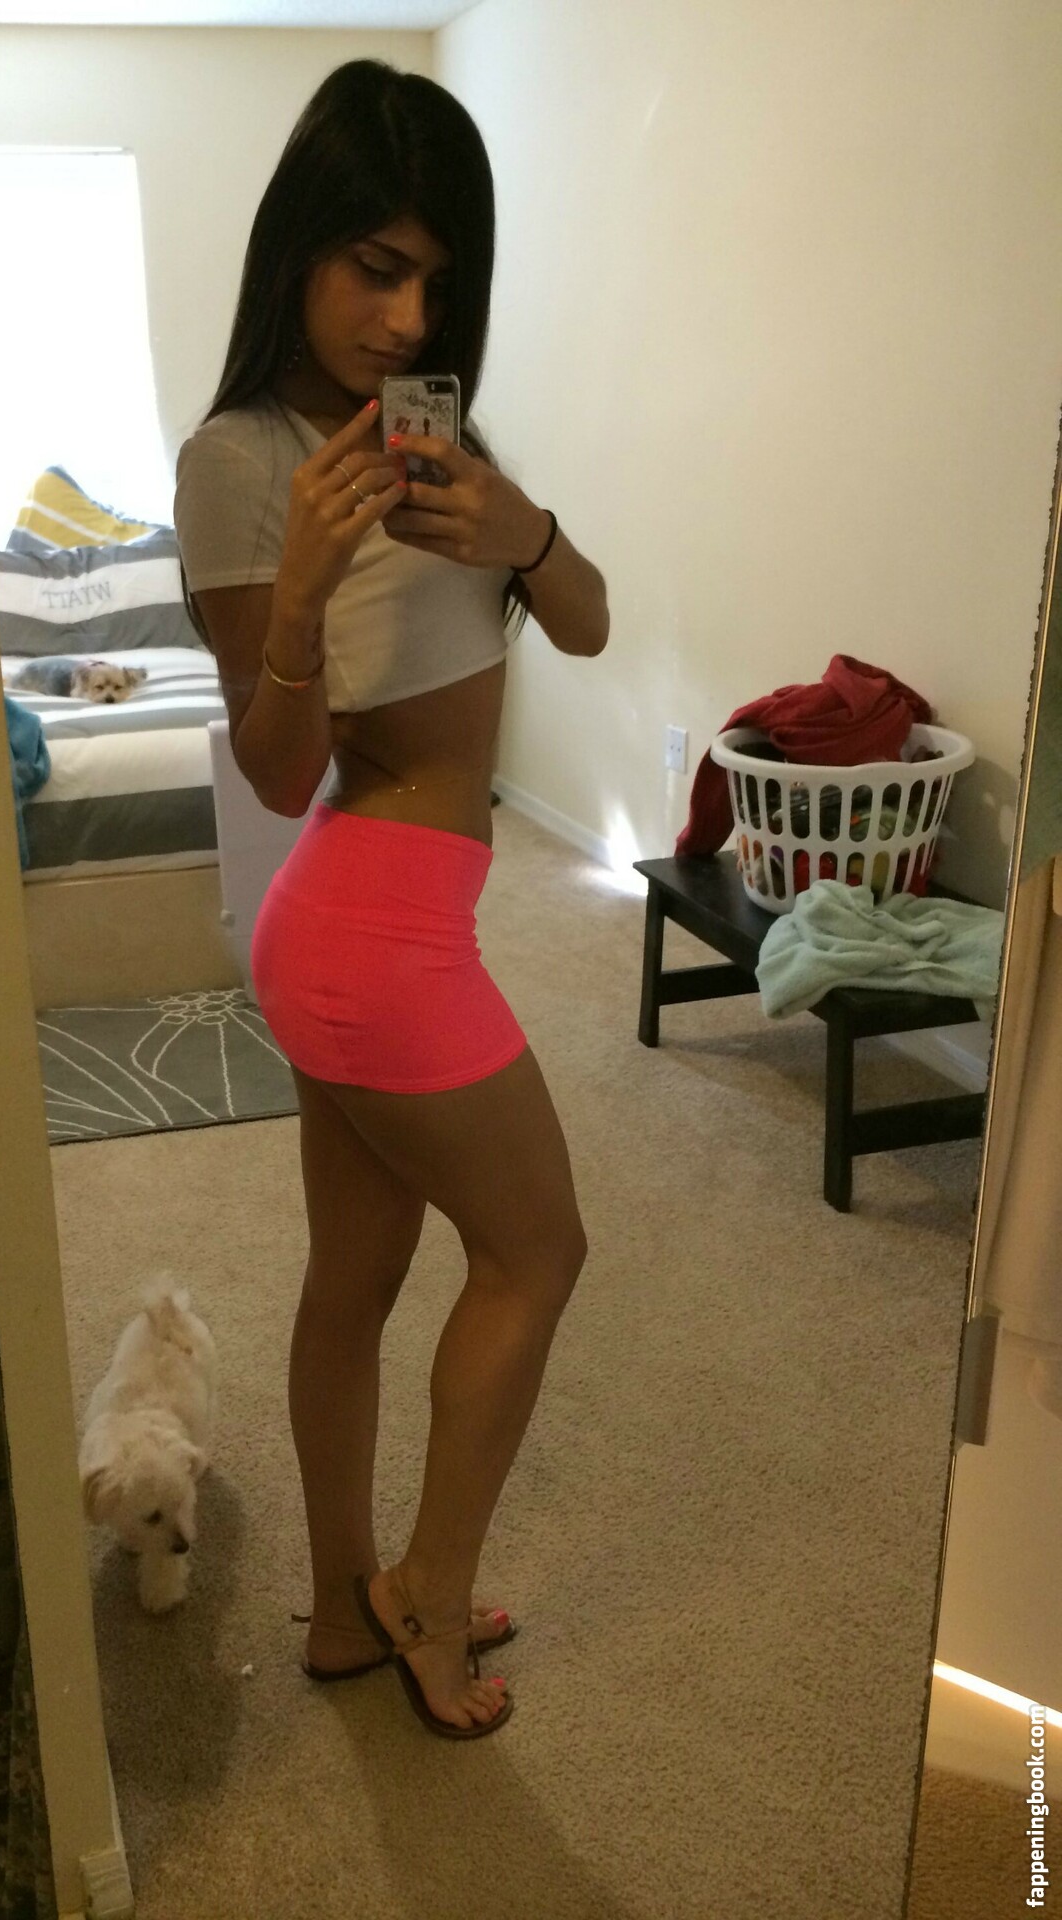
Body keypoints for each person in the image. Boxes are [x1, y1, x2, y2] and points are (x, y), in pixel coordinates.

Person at [173, 59, 609, 1740]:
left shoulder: (445, 442)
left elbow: (587, 624)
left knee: (352, 1284)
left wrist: (525, 531)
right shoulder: (240, 461)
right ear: (301, 243)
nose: (407, 314)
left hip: (376, 924)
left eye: (437, 279)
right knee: (539, 1248)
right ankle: (428, 1594)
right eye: (375, 267)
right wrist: (298, 597)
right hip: (371, 928)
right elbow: (280, 772)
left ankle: (353, 1608)